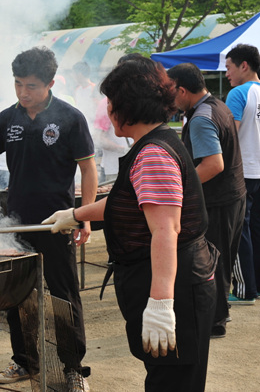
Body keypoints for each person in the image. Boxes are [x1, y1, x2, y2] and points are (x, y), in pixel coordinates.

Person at [43, 57, 217, 391]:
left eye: (110, 103)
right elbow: (131, 202)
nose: (107, 112)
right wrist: (76, 214)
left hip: (176, 286)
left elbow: (166, 229)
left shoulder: (153, 154)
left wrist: (161, 303)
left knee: (173, 382)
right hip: (171, 278)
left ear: (126, 106)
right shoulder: (153, 142)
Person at [0, 47, 96, 391]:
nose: (22, 93)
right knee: (16, 294)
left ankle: (73, 367)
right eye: (17, 84)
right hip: (15, 222)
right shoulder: (8, 118)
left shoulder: (70, 117)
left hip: (57, 221)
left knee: (63, 296)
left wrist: (85, 216)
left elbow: (88, 169)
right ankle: (25, 361)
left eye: (30, 86)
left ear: (49, 83)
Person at [169, 63, 246, 338]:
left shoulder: (201, 117)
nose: (170, 99)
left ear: (182, 89)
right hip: (233, 196)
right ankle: (219, 314)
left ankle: (214, 320)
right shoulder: (217, 104)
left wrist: (180, 189)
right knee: (222, 257)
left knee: (211, 260)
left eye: (171, 91)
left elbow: (213, 164)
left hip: (218, 200)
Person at [224, 43, 260, 304]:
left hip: (243, 171)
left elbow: (230, 137)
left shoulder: (238, 94)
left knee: (240, 230)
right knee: (257, 229)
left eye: (228, 68)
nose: (226, 74)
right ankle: (257, 285)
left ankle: (246, 289)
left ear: (243, 66)